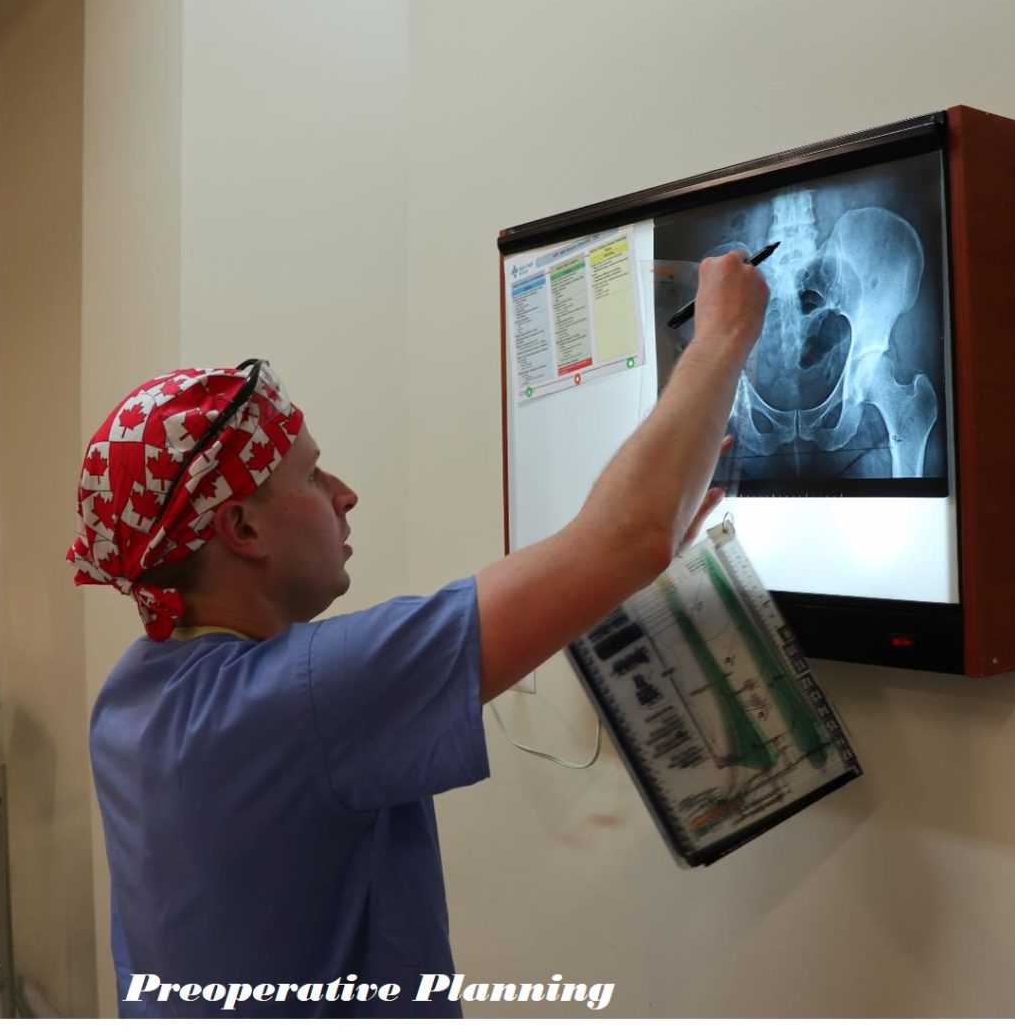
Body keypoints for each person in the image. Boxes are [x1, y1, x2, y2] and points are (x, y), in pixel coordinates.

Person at [68, 253, 768, 1017]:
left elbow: (624, 548)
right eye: (313, 477)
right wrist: (722, 335)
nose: (346, 495)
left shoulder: (131, 695)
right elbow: (626, 539)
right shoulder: (300, 703)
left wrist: (632, 548)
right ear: (241, 527)